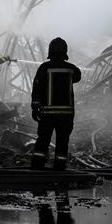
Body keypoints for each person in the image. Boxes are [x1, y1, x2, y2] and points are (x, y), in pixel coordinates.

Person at [30, 37, 82, 170]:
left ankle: (37, 167)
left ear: (50, 51)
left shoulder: (44, 68)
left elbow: (36, 88)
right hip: (66, 114)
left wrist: (35, 107)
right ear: (65, 51)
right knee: (62, 142)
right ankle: (59, 167)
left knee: (42, 141)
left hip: (47, 113)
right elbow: (77, 78)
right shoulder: (72, 69)